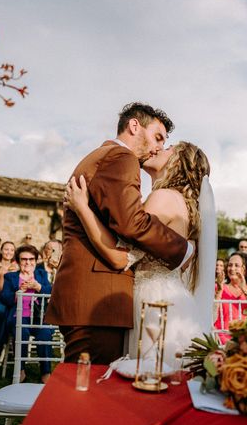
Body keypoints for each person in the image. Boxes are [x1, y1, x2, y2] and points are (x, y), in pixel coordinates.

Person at [46, 102, 193, 364]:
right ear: (134, 126)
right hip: (96, 299)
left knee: (88, 387)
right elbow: (132, 222)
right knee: (88, 389)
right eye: (157, 137)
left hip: (90, 296)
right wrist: (182, 249)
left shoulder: (103, 155)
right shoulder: (121, 158)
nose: (158, 147)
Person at [64, 140, 212, 361]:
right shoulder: (182, 204)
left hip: (151, 301)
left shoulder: (163, 198)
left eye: (169, 148)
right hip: (172, 298)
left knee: (147, 375)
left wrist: (82, 208)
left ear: (177, 163)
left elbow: (119, 257)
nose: (160, 148)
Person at [1, 245, 53, 383]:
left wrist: (38, 287)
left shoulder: (41, 274)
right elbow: (4, 297)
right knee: (21, 331)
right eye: (24, 259)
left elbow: (51, 291)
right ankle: (20, 369)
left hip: (38, 316)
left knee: (45, 333)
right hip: (17, 316)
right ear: (18, 261)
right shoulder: (10, 276)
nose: (28, 262)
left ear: (36, 261)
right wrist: (19, 292)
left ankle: (46, 371)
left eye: (31, 259)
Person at [214, 252, 247, 344]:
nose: (232, 268)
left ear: (245, 269)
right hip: (221, 338)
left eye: (236, 265)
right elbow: (211, 315)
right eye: (230, 265)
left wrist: (245, 290)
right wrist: (219, 291)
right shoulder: (218, 287)